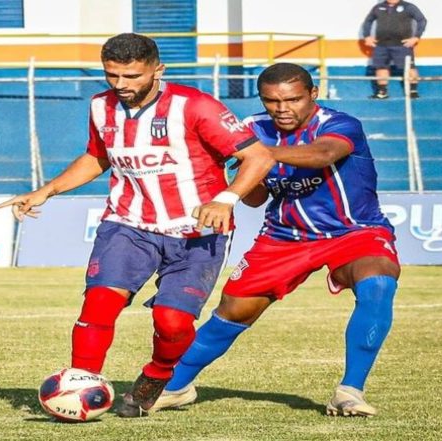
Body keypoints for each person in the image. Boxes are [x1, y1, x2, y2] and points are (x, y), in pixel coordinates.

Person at [0, 33, 275, 418]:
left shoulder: (195, 106)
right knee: (99, 302)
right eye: (112, 75)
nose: (121, 85)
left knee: (172, 322)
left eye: (132, 76)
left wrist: (224, 199)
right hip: (128, 223)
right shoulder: (100, 106)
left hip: (197, 232)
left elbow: (258, 157)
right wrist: (48, 190)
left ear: (158, 70)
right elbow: (97, 157)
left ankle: (157, 376)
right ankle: (81, 384)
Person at [152, 63, 401, 417]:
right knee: (233, 312)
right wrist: (239, 177)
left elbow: (323, 154)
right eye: (272, 101)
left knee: (378, 283)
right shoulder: (252, 129)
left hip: (355, 231)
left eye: (293, 99)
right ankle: (175, 387)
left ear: (313, 95)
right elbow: (257, 198)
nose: (282, 109)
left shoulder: (339, 125)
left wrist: (258, 156)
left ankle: (350, 392)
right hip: (284, 237)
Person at [362, 0, 427, 99]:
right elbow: (368, 21)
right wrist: (367, 36)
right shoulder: (379, 7)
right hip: (381, 45)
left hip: (402, 45)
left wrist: (416, 37)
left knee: (409, 67)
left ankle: (413, 91)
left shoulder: (408, 7)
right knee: (381, 67)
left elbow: (422, 20)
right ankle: (382, 92)